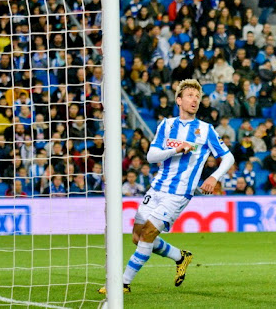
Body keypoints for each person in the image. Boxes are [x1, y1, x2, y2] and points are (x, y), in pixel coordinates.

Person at [99, 79, 235, 294]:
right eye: (190, 96)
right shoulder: (166, 125)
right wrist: (176, 150)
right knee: (137, 237)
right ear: (179, 100)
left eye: (198, 97)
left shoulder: (205, 130)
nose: (195, 100)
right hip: (157, 189)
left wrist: (215, 177)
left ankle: (122, 284)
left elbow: (228, 158)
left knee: (148, 234)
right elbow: (152, 156)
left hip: (179, 194)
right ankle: (180, 257)